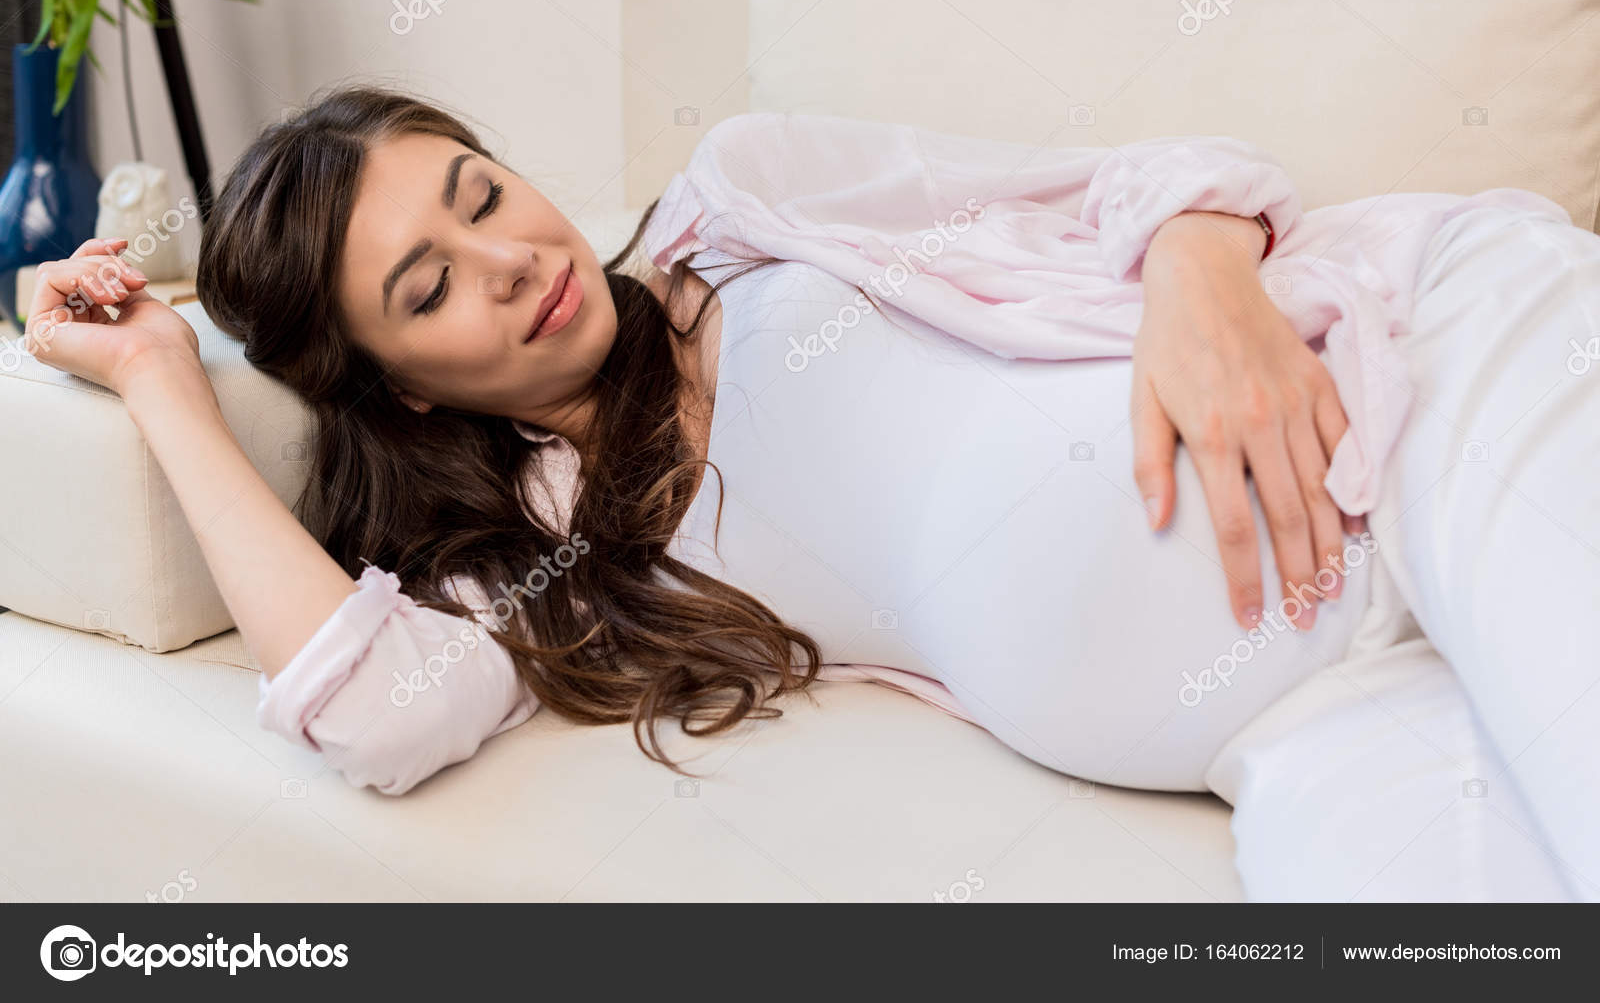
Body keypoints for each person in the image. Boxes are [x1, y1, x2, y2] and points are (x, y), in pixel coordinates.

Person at [23, 86, 1599, 901]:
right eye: (431, 286)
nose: (514, 262)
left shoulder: (750, 202)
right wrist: (166, 380)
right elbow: (364, 714)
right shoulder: (565, 552)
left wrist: (1207, 274)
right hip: (1316, 715)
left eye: (482, 193)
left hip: (1433, 387)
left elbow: (1134, 180)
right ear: (406, 385)